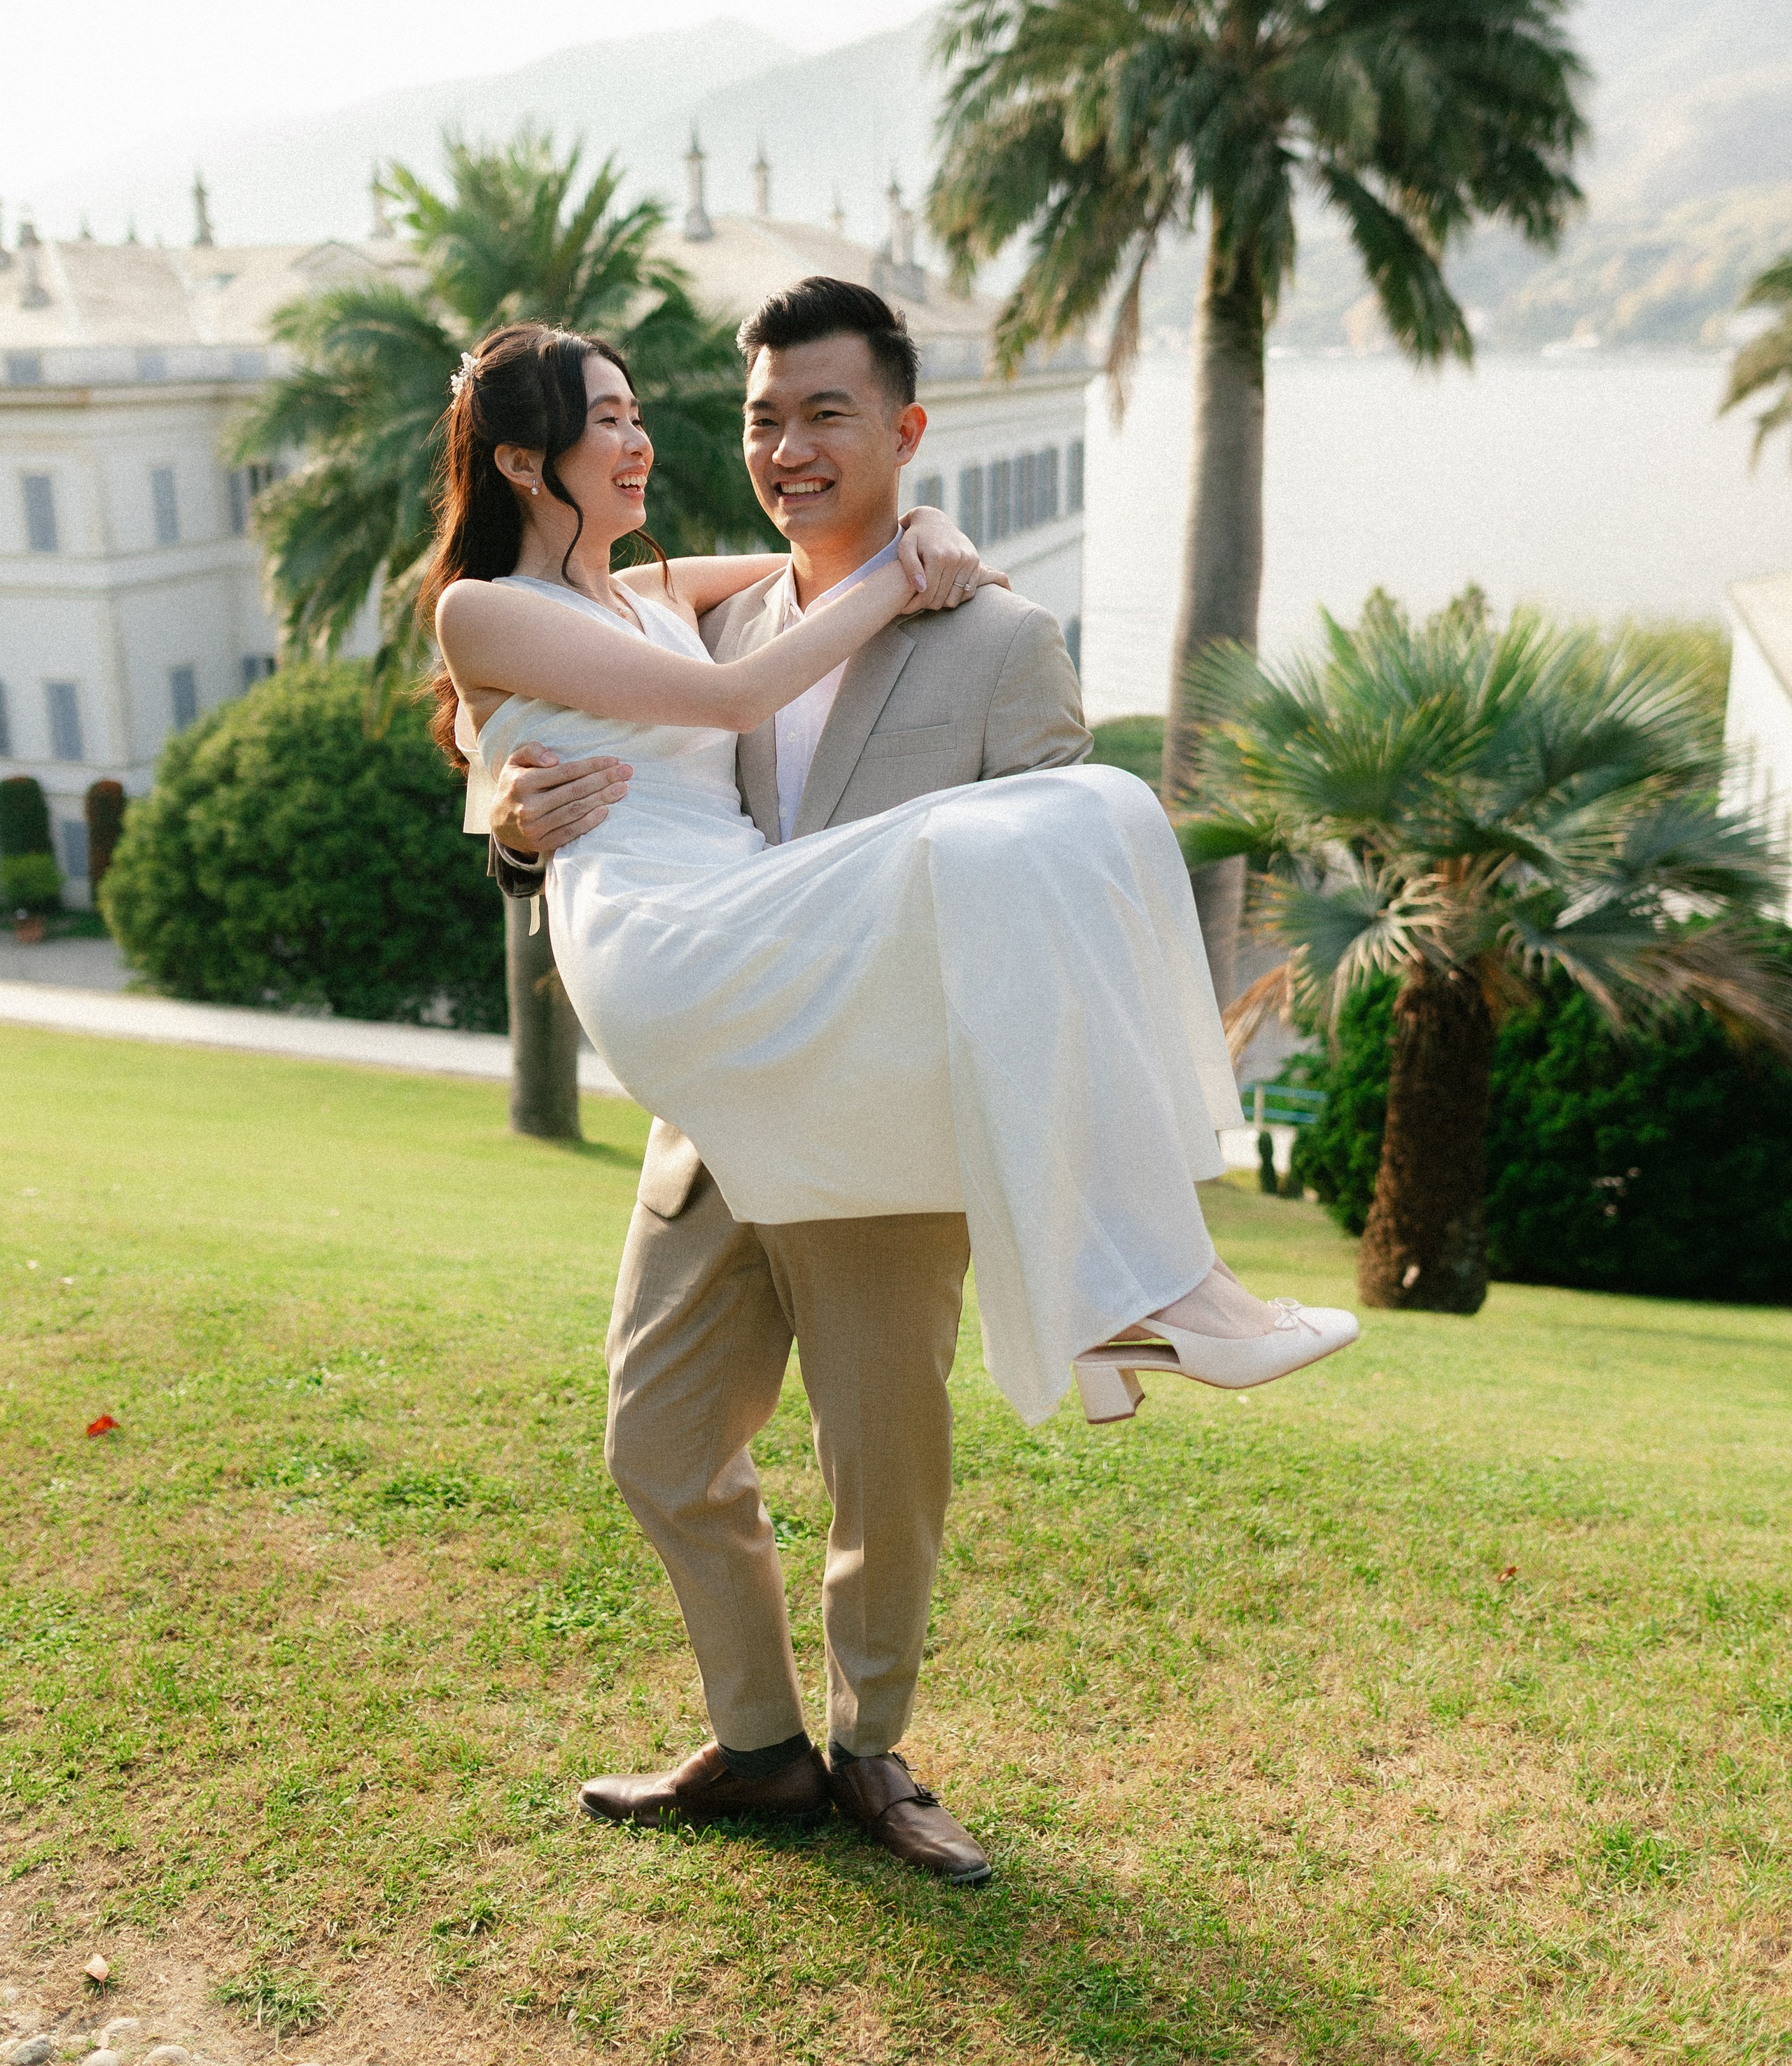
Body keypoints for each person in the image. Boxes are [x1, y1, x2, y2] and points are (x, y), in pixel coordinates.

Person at [434, 292, 1357, 1882]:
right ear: (534, 458)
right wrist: (508, 824)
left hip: (873, 1107)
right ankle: (761, 1751)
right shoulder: (716, 618)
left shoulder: (995, 640)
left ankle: (871, 1750)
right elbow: (557, 738)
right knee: (660, 1445)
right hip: (716, 1076)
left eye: (823, 415)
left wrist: (924, 553)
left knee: (884, 1470)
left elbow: (1042, 927)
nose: (778, 447)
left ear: (904, 430)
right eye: (758, 418)